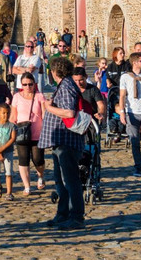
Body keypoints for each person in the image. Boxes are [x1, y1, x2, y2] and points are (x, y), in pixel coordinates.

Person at [39, 55, 86, 230]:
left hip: (67, 141)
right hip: (60, 141)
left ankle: (76, 217)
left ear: (55, 71)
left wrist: (49, 107)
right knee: (61, 181)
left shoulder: (66, 86)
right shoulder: (65, 85)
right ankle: (63, 213)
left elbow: (69, 113)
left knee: (71, 180)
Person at [10, 72, 46, 195]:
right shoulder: (16, 97)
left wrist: (47, 129)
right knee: (23, 159)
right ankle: (27, 186)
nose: (27, 87)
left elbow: (44, 114)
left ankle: (40, 176)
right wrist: (9, 130)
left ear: (34, 84)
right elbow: (13, 116)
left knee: (38, 159)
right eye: (25, 84)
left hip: (37, 133)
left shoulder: (39, 96)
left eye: (30, 84)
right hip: (22, 132)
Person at [0, 103, 16, 200]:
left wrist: (2, 149)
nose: (6, 115)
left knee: (8, 173)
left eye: (8, 113)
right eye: (3, 113)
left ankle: (9, 193)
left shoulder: (12, 126)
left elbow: (12, 139)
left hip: (8, 152)